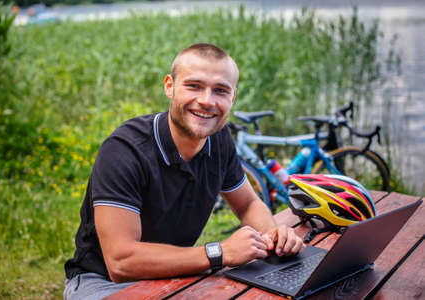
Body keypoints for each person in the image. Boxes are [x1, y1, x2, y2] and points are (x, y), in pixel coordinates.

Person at [64, 43, 305, 300]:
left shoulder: (219, 139)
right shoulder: (125, 151)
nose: (207, 101)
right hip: (101, 283)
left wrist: (273, 234)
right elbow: (121, 262)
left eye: (220, 91)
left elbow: (246, 204)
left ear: (232, 97)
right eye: (194, 86)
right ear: (170, 86)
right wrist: (220, 253)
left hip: (176, 274)